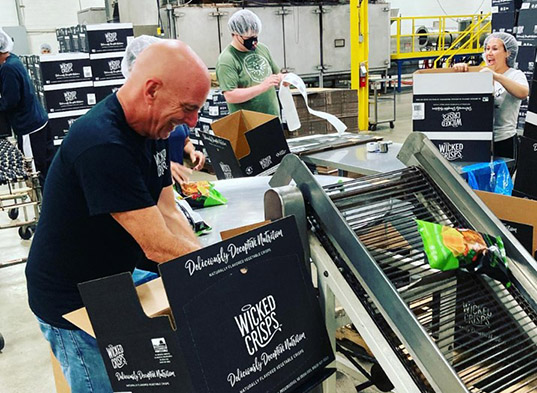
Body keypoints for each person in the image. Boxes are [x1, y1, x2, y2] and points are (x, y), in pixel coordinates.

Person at [25, 40, 211, 393]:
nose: (193, 121)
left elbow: (167, 210)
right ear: (152, 90)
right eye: (188, 108)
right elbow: (156, 246)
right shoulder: (102, 144)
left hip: (113, 280)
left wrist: (203, 262)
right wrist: (218, 272)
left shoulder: (152, 130)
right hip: (73, 303)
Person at [122, 35, 205, 184]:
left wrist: (192, 152)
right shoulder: (133, 121)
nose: (192, 121)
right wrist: (162, 167)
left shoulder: (170, 115)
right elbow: (130, 162)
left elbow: (184, 139)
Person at [453, 32, 529, 161]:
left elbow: (523, 93)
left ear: (508, 53)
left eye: (494, 49)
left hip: (504, 140)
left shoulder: (515, 75)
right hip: (479, 140)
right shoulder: (480, 73)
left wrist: (496, 76)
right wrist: (460, 71)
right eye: (487, 49)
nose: (489, 53)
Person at [0, 28, 54, 186]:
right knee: (48, 166)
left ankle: (43, 206)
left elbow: (11, 101)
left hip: (29, 127)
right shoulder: (13, 60)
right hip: (40, 121)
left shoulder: (7, 68)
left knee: (35, 171)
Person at [216, 9, 284, 117]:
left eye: (255, 36)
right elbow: (230, 95)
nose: (254, 42)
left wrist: (285, 79)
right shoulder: (227, 59)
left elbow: (277, 74)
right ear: (235, 34)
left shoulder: (262, 48)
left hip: (272, 118)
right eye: (248, 38)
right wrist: (262, 87)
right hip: (247, 124)